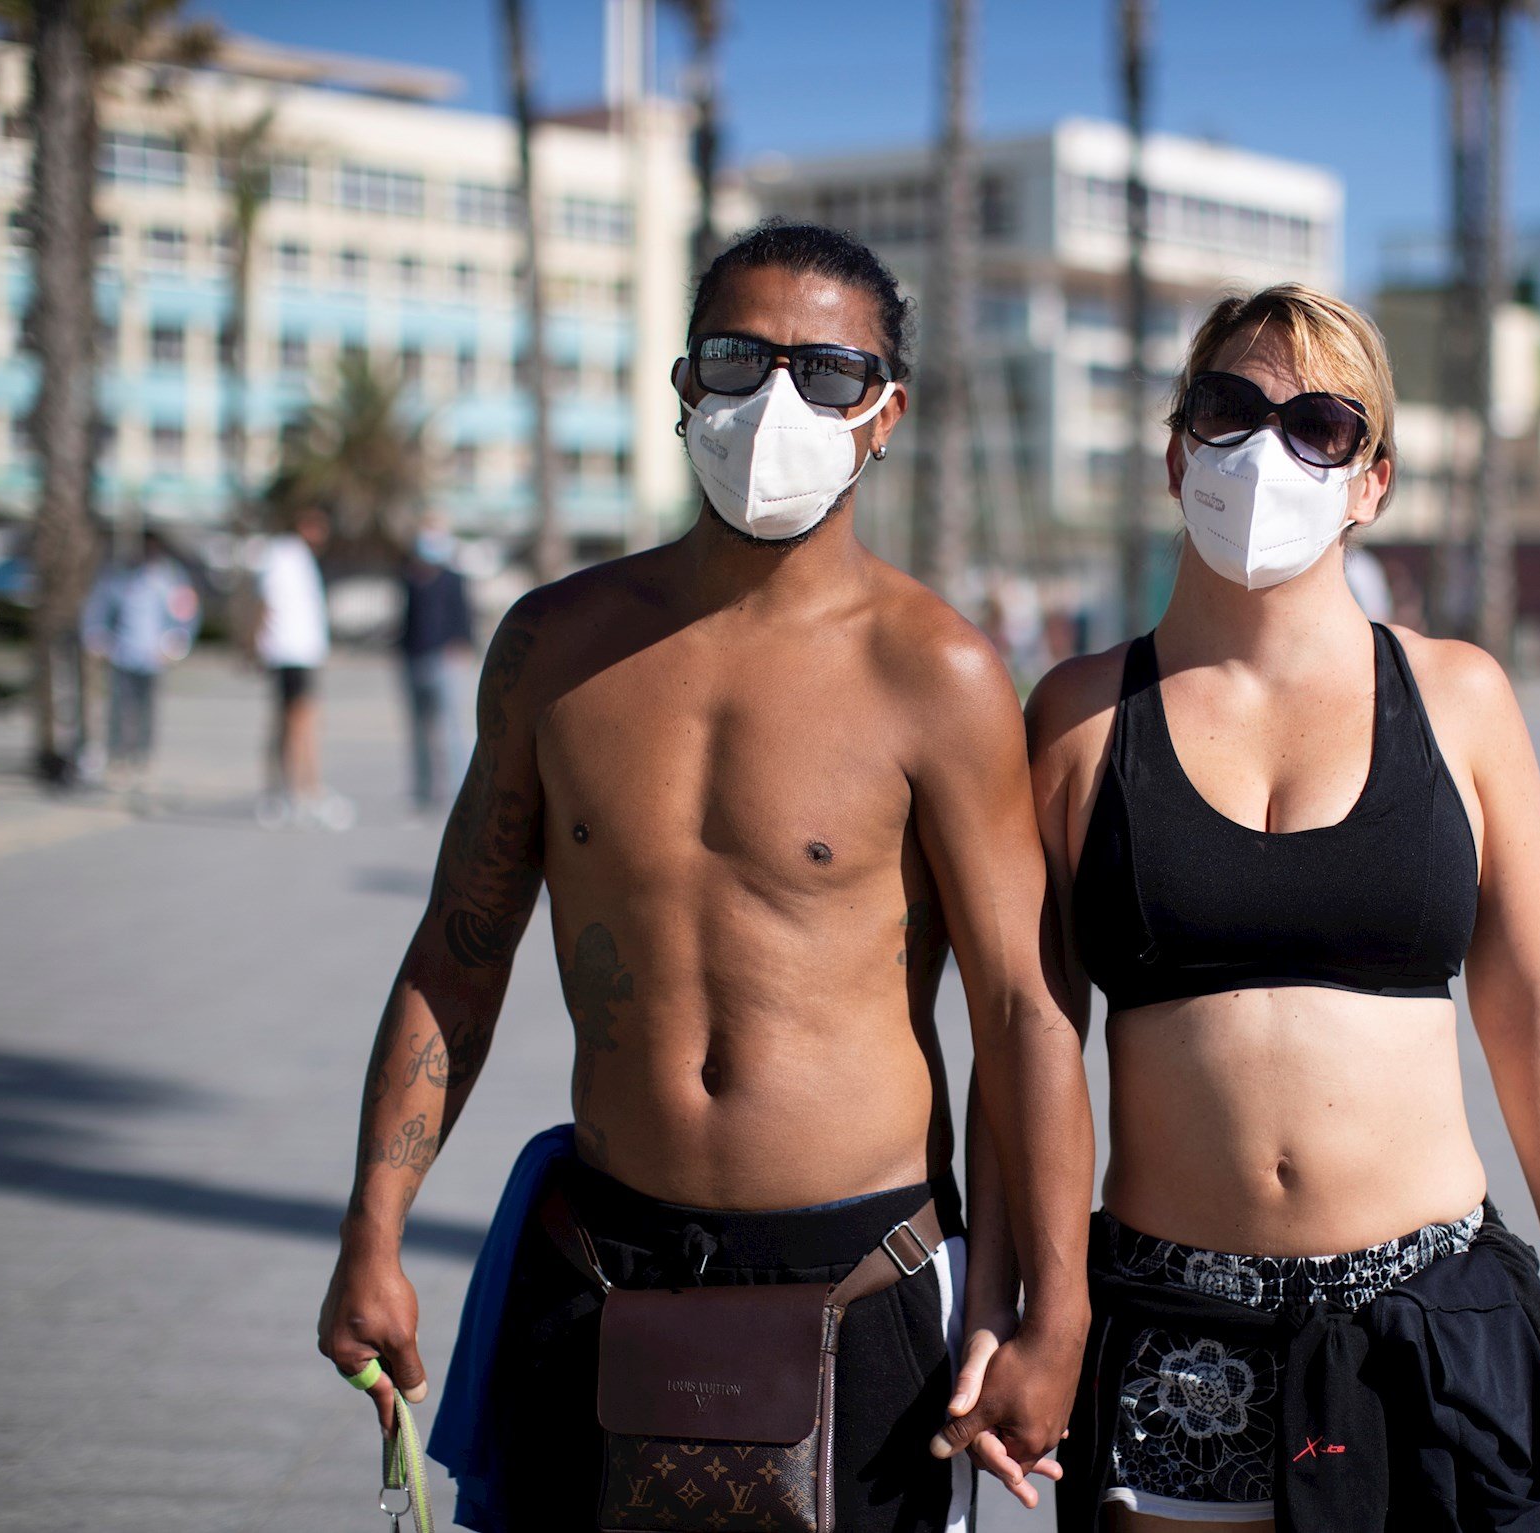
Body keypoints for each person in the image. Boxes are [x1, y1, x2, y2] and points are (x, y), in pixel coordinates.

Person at [315, 223, 1095, 1533]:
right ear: (685, 383)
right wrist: (371, 1228)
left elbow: (1022, 1009)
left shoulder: (937, 673)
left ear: (885, 411)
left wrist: (1053, 1312)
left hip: (863, 1277)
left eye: (827, 374)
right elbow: (459, 954)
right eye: (738, 360)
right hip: (598, 1262)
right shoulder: (555, 649)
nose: (774, 403)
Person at [1024, 285, 1540, 1530]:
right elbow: (1029, 1036)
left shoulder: (1457, 697)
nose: (1263, 449)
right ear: (1175, 449)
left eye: (1319, 426)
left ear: (1372, 482)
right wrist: (1037, 1300)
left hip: (1429, 1312)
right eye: (1229, 409)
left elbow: (1533, 1001)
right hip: (1174, 1326)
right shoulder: (1080, 718)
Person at [248, 505, 350, 829]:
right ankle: (299, 791)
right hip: (289, 653)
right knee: (297, 723)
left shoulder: (301, 557)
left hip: (303, 653)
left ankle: (296, 790)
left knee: (299, 723)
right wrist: (258, 645)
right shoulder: (283, 554)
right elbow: (266, 602)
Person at [83, 528, 200, 795]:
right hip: (123, 654)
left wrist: (176, 642)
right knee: (118, 709)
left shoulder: (170, 576)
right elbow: (98, 609)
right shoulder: (117, 575)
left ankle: (143, 758)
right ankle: (117, 759)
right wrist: (97, 637)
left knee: (146, 710)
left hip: (153, 656)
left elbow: (186, 612)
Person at [396, 521, 475, 818]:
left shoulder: (452, 579)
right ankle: (423, 789)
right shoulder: (409, 578)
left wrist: (461, 649)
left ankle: (460, 790)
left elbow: (464, 616)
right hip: (414, 659)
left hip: (446, 661)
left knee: (453, 728)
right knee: (418, 729)